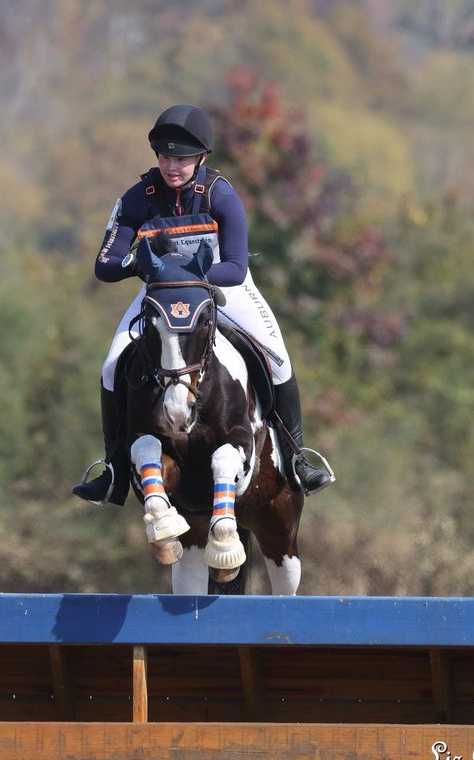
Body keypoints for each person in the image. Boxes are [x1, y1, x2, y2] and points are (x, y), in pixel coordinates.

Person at [73, 103, 335, 505]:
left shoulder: (221, 195)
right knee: (112, 364)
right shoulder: (136, 199)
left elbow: (232, 267)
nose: (171, 165)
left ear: (201, 157)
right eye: (164, 157)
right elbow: (105, 265)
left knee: (278, 358)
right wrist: (137, 265)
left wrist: (184, 281)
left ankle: (297, 456)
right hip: (159, 295)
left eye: (181, 158)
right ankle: (112, 470)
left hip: (224, 291)